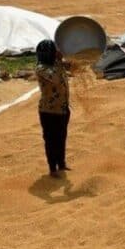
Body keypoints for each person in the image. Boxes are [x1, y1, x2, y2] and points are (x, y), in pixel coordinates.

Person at [35, 40, 71, 178]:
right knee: (51, 140)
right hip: (48, 111)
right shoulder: (41, 68)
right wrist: (60, 61)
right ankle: (53, 168)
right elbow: (55, 78)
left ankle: (61, 163)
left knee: (62, 137)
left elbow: (74, 66)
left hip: (62, 108)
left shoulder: (56, 64)